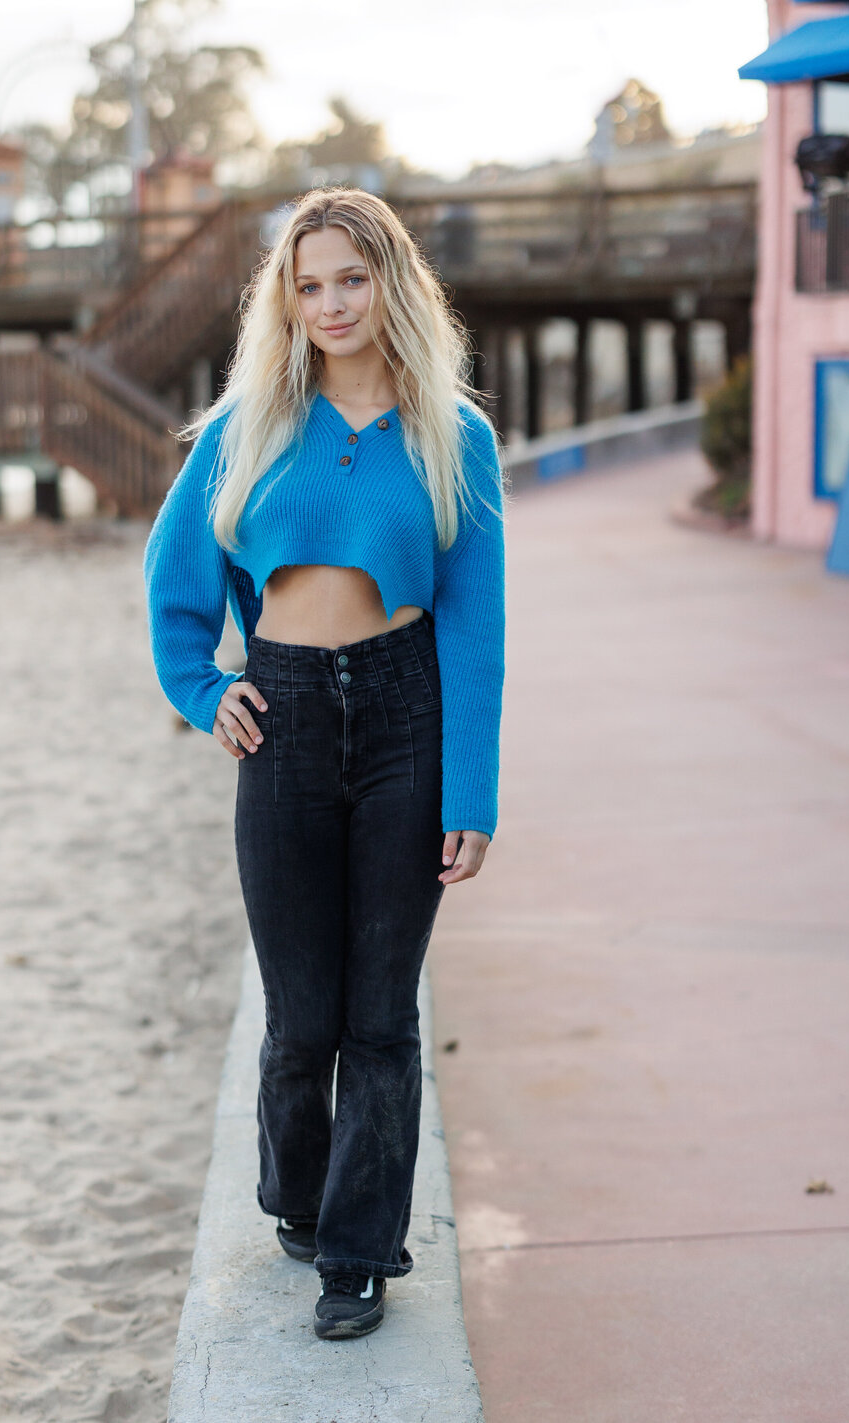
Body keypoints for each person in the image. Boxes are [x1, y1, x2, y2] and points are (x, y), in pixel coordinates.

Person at [144, 187, 505, 1341]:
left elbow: (475, 626)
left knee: (381, 1016)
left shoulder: (456, 434)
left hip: (407, 712)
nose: (332, 302)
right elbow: (175, 593)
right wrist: (206, 691)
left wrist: (472, 791)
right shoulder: (245, 429)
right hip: (285, 717)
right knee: (302, 1018)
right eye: (309, 284)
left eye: (351, 277)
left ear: (389, 280)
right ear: (286, 300)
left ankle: (359, 1253)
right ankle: (296, 1196)